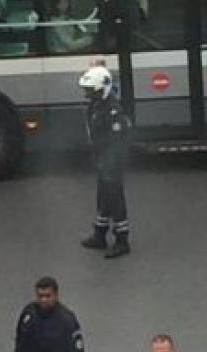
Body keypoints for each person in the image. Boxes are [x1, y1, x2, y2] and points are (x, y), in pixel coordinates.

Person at [78, 65, 131, 259]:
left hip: (112, 161)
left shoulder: (113, 111)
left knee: (115, 199)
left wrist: (110, 163)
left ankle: (122, 240)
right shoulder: (96, 105)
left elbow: (118, 140)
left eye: (91, 90)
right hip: (102, 159)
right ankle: (100, 234)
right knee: (103, 197)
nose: (88, 94)